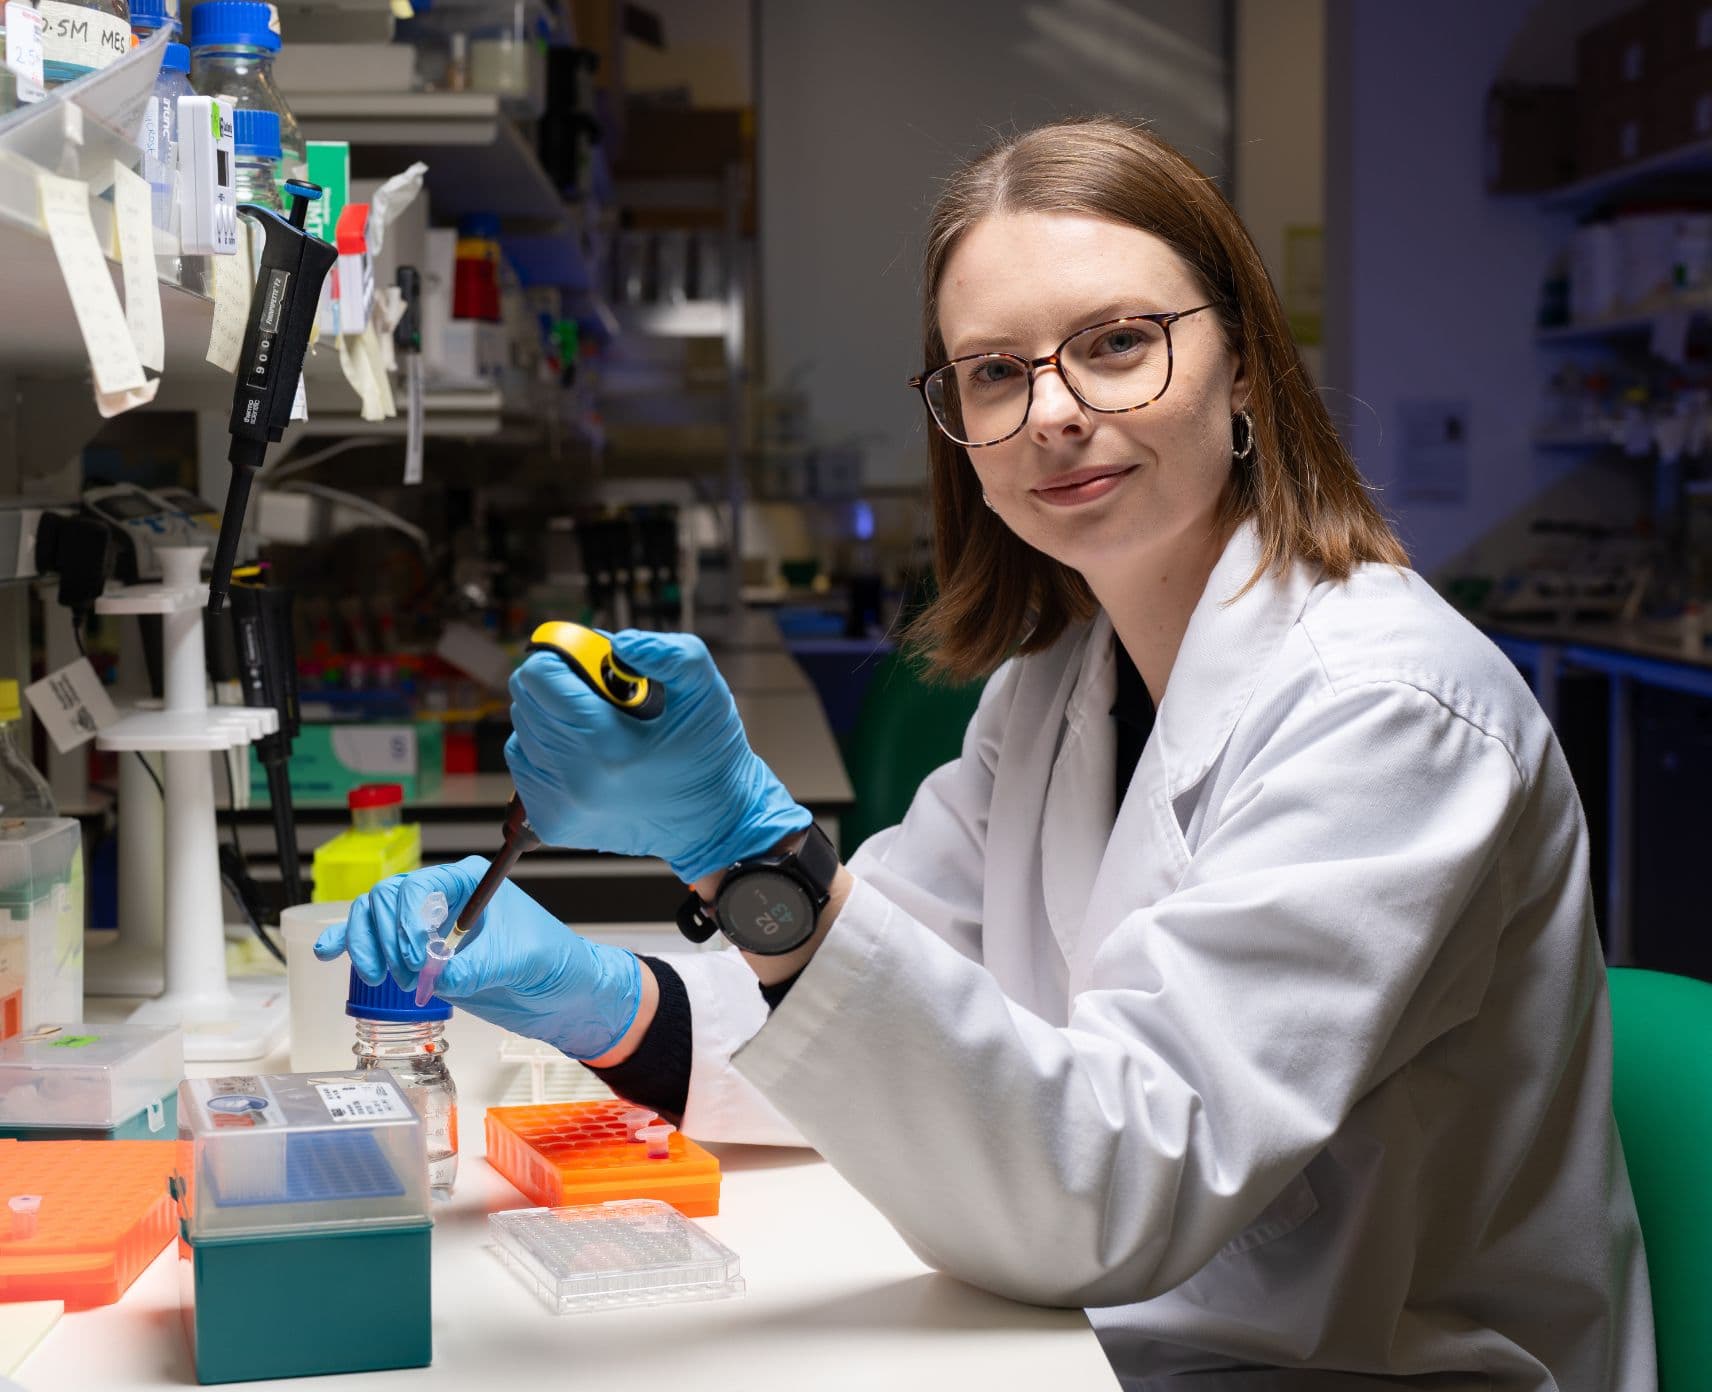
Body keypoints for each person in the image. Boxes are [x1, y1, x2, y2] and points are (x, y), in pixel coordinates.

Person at [316, 117, 1655, 1389]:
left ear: (1246, 360)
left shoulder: (1390, 712)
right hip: (1097, 1333)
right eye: (996, 372)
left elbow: (1113, 1190)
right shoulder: (1059, 689)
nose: (1052, 411)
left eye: (1119, 344)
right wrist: (593, 992)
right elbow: (884, 1021)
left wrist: (748, 858)